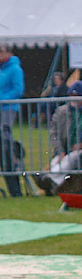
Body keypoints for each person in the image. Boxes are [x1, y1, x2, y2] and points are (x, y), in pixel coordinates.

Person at [0, 45, 25, 197]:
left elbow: (18, 90)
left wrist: (2, 100)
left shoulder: (15, 69)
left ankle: (14, 158)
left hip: (8, 109)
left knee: (5, 141)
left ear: (9, 52)